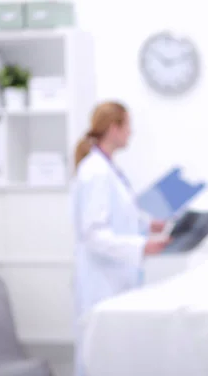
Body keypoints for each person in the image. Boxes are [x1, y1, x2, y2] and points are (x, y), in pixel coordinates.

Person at [70, 101, 170, 376]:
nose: (131, 133)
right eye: (128, 126)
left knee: (116, 353)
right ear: (114, 128)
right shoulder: (96, 171)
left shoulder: (108, 168)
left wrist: (148, 225)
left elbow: (118, 216)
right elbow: (93, 233)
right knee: (100, 354)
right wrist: (142, 246)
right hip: (101, 280)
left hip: (115, 277)